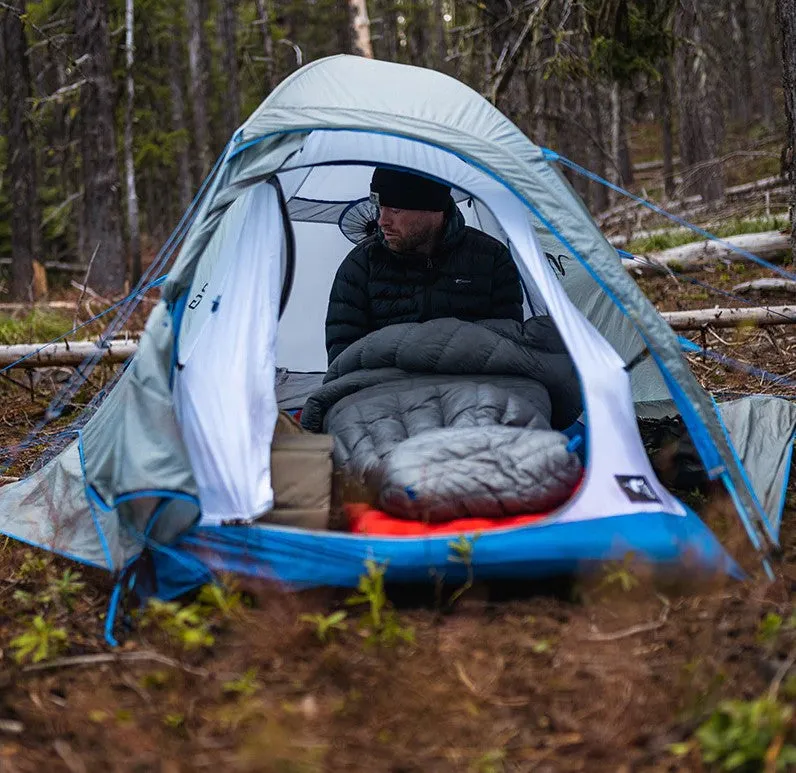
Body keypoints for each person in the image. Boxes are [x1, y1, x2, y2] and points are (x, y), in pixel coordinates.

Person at [325, 168, 524, 363]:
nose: (382, 221)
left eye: (395, 210)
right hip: (385, 390)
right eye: (380, 208)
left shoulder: (491, 259)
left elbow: (507, 350)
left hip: (470, 389)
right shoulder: (360, 267)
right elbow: (343, 361)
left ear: (433, 210)